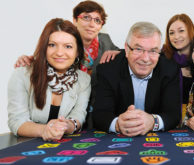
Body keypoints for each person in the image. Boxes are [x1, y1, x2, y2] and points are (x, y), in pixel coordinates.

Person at [14, 0, 119, 128]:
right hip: (66, 105)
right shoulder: (62, 37)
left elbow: (129, 53)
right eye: (86, 17)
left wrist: (118, 53)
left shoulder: (105, 40)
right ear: (75, 20)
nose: (92, 24)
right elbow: (46, 56)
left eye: (97, 20)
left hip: (91, 108)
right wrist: (29, 59)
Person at [7, 18, 91, 141]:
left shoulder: (84, 80)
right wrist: (45, 130)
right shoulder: (22, 75)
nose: (60, 53)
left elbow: (79, 115)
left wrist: (68, 125)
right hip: (27, 144)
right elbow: (17, 121)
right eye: (52, 45)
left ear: (77, 51)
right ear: (44, 48)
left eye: (68, 46)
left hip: (66, 146)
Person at [92, 22, 181, 137]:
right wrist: (118, 124)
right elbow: (100, 114)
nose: (145, 58)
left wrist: (153, 121)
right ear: (127, 49)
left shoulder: (169, 69)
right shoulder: (108, 70)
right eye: (138, 49)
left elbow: (173, 114)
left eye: (153, 51)